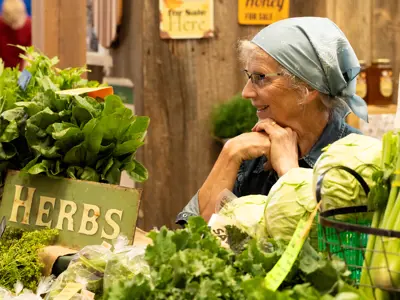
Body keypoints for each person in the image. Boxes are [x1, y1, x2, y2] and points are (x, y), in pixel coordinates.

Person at [176, 17, 368, 225]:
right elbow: (192, 240)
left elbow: (334, 249)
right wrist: (231, 153)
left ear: (310, 85)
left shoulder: (356, 161)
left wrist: (289, 172)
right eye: (249, 76)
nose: (246, 92)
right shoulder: (253, 151)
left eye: (260, 77)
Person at [0, 0, 31, 70]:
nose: (14, 26)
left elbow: (29, 59)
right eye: (11, 23)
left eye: (16, 22)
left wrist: (23, 80)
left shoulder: (31, 27)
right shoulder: (1, 26)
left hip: (22, 74)